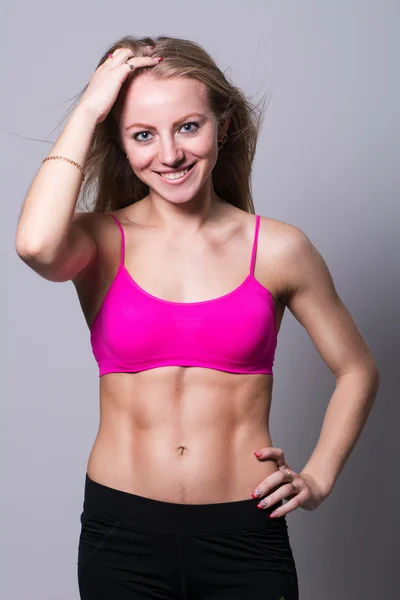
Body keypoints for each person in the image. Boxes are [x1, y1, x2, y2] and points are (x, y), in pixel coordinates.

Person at [15, 35, 380, 600]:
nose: (169, 154)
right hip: (122, 533)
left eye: (188, 126)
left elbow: (357, 369)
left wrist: (319, 477)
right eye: (142, 135)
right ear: (120, 142)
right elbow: (36, 245)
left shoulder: (279, 248)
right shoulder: (99, 241)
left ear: (223, 126)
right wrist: (90, 107)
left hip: (245, 532)